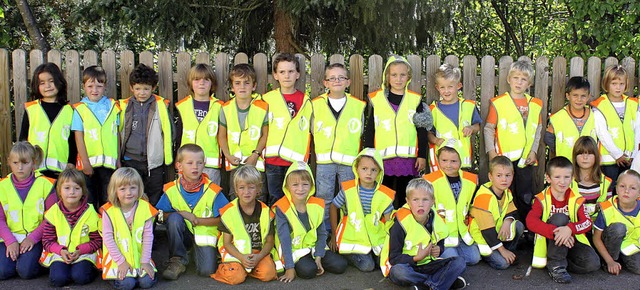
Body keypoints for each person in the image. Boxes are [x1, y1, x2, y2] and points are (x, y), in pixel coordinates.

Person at [364, 55, 431, 209]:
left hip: (408, 161)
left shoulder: (415, 100)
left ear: (408, 77)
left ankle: (403, 226)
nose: (398, 79)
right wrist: (369, 155)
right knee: (383, 195)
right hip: (382, 160)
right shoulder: (378, 99)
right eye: (394, 75)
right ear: (387, 77)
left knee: (405, 196)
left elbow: (422, 131)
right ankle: (385, 227)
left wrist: (422, 155)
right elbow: (370, 130)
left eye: (402, 75)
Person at [155, 144, 228, 280]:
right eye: (190, 163)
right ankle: (178, 260)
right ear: (179, 166)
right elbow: (158, 215)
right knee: (174, 219)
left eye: (199, 163)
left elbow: (225, 219)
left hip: (205, 237)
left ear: (204, 164)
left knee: (206, 271)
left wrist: (197, 220)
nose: (195, 167)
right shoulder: (172, 189)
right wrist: (181, 214)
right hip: (185, 234)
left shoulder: (212, 190)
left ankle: (198, 253)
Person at [379, 178, 467, 290]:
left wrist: (439, 249)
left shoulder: (436, 217)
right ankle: (440, 282)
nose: (420, 204)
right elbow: (394, 258)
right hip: (408, 265)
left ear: (433, 201)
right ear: (408, 201)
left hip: (428, 263)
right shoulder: (400, 223)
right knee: (399, 272)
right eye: (415, 200)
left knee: (460, 262)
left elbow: (440, 240)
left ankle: (427, 286)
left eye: (425, 200)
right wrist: (416, 258)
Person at [526, 156, 600, 284]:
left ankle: (561, 263)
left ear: (572, 178)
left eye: (567, 177)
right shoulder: (541, 198)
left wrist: (569, 230)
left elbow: (587, 223)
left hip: (571, 239)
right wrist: (556, 232)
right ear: (548, 178)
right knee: (560, 217)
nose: (562, 181)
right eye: (557, 177)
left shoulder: (577, 198)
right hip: (550, 241)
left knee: (593, 264)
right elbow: (531, 221)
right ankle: (556, 265)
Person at [485, 60, 542, 221]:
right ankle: (505, 227)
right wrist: (492, 153)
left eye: (523, 79)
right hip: (504, 161)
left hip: (526, 160)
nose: (519, 82)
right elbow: (489, 128)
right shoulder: (499, 103)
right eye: (516, 78)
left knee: (525, 195)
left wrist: (534, 151)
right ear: (509, 79)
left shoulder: (534, 104)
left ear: (529, 83)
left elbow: (537, 130)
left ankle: (526, 228)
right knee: (504, 194)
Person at [312, 63, 367, 230]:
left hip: (349, 161)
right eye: (332, 78)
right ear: (325, 83)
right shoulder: (316, 104)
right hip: (324, 160)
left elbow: (361, 129)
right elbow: (312, 128)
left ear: (348, 82)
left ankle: (348, 230)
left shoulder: (358, 105)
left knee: (350, 197)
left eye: (341, 78)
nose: (336, 81)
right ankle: (325, 232)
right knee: (324, 197)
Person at [273, 161, 347, 282]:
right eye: (295, 185)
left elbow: (322, 233)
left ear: (311, 185)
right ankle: (304, 264)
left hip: (314, 247)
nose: (300, 189)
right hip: (295, 251)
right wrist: (289, 268)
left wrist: (318, 256)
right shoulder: (282, 207)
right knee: (309, 271)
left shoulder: (316, 204)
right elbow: (284, 240)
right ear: (287, 186)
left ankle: (315, 261)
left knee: (341, 266)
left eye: (305, 184)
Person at [329, 148, 394, 272]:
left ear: (379, 172)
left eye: (373, 170)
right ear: (356, 169)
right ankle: (345, 253)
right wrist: (333, 234)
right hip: (353, 236)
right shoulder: (349, 189)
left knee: (382, 262)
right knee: (368, 266)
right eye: (364, 169)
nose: (368, 173)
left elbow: (389, 220)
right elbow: (333, 207)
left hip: (373, 237)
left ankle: (369, 254)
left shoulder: (384, 194)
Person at [260, 53, 312, 206]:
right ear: (275, 75)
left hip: (295, 161)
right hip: (272, 160)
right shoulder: (267, 99)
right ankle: (276, 229)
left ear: (298, 74)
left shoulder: (306, 101)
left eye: (291, 71)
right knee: (275, 199)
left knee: (295, 200)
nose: (286, 76)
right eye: (282, 72)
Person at [0, 141, 57, 280]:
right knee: (3, 272)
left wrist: (32, 238)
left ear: (33, 162)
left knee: (26, 272)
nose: (20, 167)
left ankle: (36, 263)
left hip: (37, 237)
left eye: (25, 163)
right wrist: (10, 241)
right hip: (10, 236)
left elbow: (52, 217)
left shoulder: (46, 184)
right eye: (15, 163)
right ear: (9, 162)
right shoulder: (2, 186)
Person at [212, 165, 278, 284]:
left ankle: (249, 269)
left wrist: (259, 257)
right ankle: (236, 269)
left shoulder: (266, 212)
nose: (246, 192)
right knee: (236, 278)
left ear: (259, 189)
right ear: (236, 190)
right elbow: (226, 243)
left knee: (269, 274)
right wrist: (241, 258)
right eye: (242, 188)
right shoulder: (229, 212)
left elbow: (269, 241)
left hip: (258, 253)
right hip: (237, 253)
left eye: (251, 187)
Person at [119, 63, 175, 206]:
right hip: (130, 159)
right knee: (131, 194)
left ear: (153, 88)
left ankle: (151, 227)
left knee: (154, 195)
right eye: (137, 89)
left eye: (146, 89)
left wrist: (167, 156)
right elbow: (117, 133)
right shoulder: (125, 106)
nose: (141, 93)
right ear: (131, 88)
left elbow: (169, 131)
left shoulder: (160, 106)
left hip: (154, 162)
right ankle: (133, 225)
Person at [40, 168, 101, 287]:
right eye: (67, 188)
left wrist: (80, 251)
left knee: (80, 277)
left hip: (84, 254)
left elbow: (97, 241)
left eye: (77, 188)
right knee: (57, 280)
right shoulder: (53, 212)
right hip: (60, 253)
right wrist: (60, 251)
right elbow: (47, 240)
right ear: (59, 191)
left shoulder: (90, 212)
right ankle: (65, 270)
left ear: (83, 191)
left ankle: (86, 270)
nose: (72, 192)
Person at [100, 167, 157, 290]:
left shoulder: (144, 207)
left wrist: (145, 261)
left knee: (146, 282)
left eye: (133, 187)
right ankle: (119, 278)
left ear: (139, 188)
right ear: (114, 191)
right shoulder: (108, 211)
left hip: (140, 258)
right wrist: (121, 262)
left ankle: (138, 273)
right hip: (117, 260)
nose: (129, 193)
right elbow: (108, 239)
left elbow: (148, 236)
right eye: (122, 189)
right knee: (127, 284)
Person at [72, 65, 121, 208]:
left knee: (108, 200)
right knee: (90, 199)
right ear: (84, 87)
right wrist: (85, 163)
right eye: (90, 86)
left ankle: (107, 228)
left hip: (109, 165)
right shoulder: (80, 109)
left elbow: (116, 133)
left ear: (105, 86)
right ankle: (93, 229)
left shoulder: (113, 106)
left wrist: (117, 158)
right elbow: (78, 137)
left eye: (99, 86)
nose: (95, 90)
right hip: (89, 166)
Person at [218, 64, 268, 200]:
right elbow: (221, 136)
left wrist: (255, 154)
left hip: (256, 162)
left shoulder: (263, 107)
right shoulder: (225, 108)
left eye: (247, 83)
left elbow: (265, 134)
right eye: (237, 83)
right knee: (235, 196)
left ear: (254, 86)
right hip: (234, 162)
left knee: (259, 195)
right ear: (232, 87)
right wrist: (227, 155)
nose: (242, 87)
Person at [423, 145, 480, 265]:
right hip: (441, 235)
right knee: (453, 260)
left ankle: (452, 254)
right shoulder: (429, 180)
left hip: (461, 232)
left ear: (461, 161)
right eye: (444, 160)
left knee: (474, 259)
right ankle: (446, 256)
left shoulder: (470, 180)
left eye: (453, 161)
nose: (448, 165)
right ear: (438, 160)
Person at [20, 62, 76, 179]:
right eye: (42, 83)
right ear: (37, 86)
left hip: (60, 172)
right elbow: (23, 139)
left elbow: (72, 141)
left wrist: (71, 163)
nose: (48, 86)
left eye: (51, 81)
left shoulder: (70, 111)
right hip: (34, 170)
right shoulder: (31, 109)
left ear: (59, 82)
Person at [468, 156, 523, 269]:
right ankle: (495, 253)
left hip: (496, 233)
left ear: (512, 175)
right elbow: (487, 231)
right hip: (483, 238)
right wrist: (502, 251)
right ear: (490, 176)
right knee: (503, 264)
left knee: (518, 226)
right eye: (499, 176)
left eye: (508, 175)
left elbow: (512, 212)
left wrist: (507, 222)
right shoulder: (484, 197)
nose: (504, 179)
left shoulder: (506, 192)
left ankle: (506, 251)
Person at [175, 63, 224, 184]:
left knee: (210, 199)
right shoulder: (183, 106)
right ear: (190, 83)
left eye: (206, 79)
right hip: (187, 163)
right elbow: (178, 135)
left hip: (210, 165)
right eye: (197, 79)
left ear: (212, 83)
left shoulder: (220, 107)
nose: (201, 83)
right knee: (186, 199)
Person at [592, 65, 639, 188]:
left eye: (621, 83)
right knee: (609, 190)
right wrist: (617, 154)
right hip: (609, 160)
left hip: (629, 159)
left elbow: (637, 130)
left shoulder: (633, 104)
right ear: (607, 84)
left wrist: (634, 155)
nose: (618, 87)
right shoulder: (600, 105)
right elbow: (602, 133)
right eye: (614, 83)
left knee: (627, 189)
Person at [427, 63, 481, 171]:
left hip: (463, 162)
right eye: (442, 87)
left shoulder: (468, 106)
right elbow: (428, 132)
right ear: (437, 87)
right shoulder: (433, 109)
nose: (446, 91)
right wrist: (436, 140)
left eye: (450, 87)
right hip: (441, 163)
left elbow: (478, 125)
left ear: (458, 86)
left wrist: (471, 128)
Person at [593, 169, 640, 275]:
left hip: (630, 248)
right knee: (619, 228)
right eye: (622, 186)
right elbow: (596, 238)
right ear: (616, 189)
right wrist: (610, 261)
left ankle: (624, 260)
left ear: (639, 193)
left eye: (632, 188)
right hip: (610, 249)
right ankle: (610, 262)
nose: (626, 191)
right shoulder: (607, 208)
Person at [545, 76, 597, 160]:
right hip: (566, 165)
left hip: (589, 165)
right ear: (568, 96)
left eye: (583, 96)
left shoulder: (594, 115)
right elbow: (548, 137)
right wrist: (560, 149)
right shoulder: (558, 117)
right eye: (575, 95)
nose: (579, 99)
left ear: (588, 97)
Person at [570, 136, 611, 219]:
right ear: (575, 156)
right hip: (574, 227)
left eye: (589, 153)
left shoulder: (606, 182)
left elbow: (609, 211)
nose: (585, 157)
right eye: (581, 153)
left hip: (598, 228)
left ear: (596, 156)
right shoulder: (567, 181)